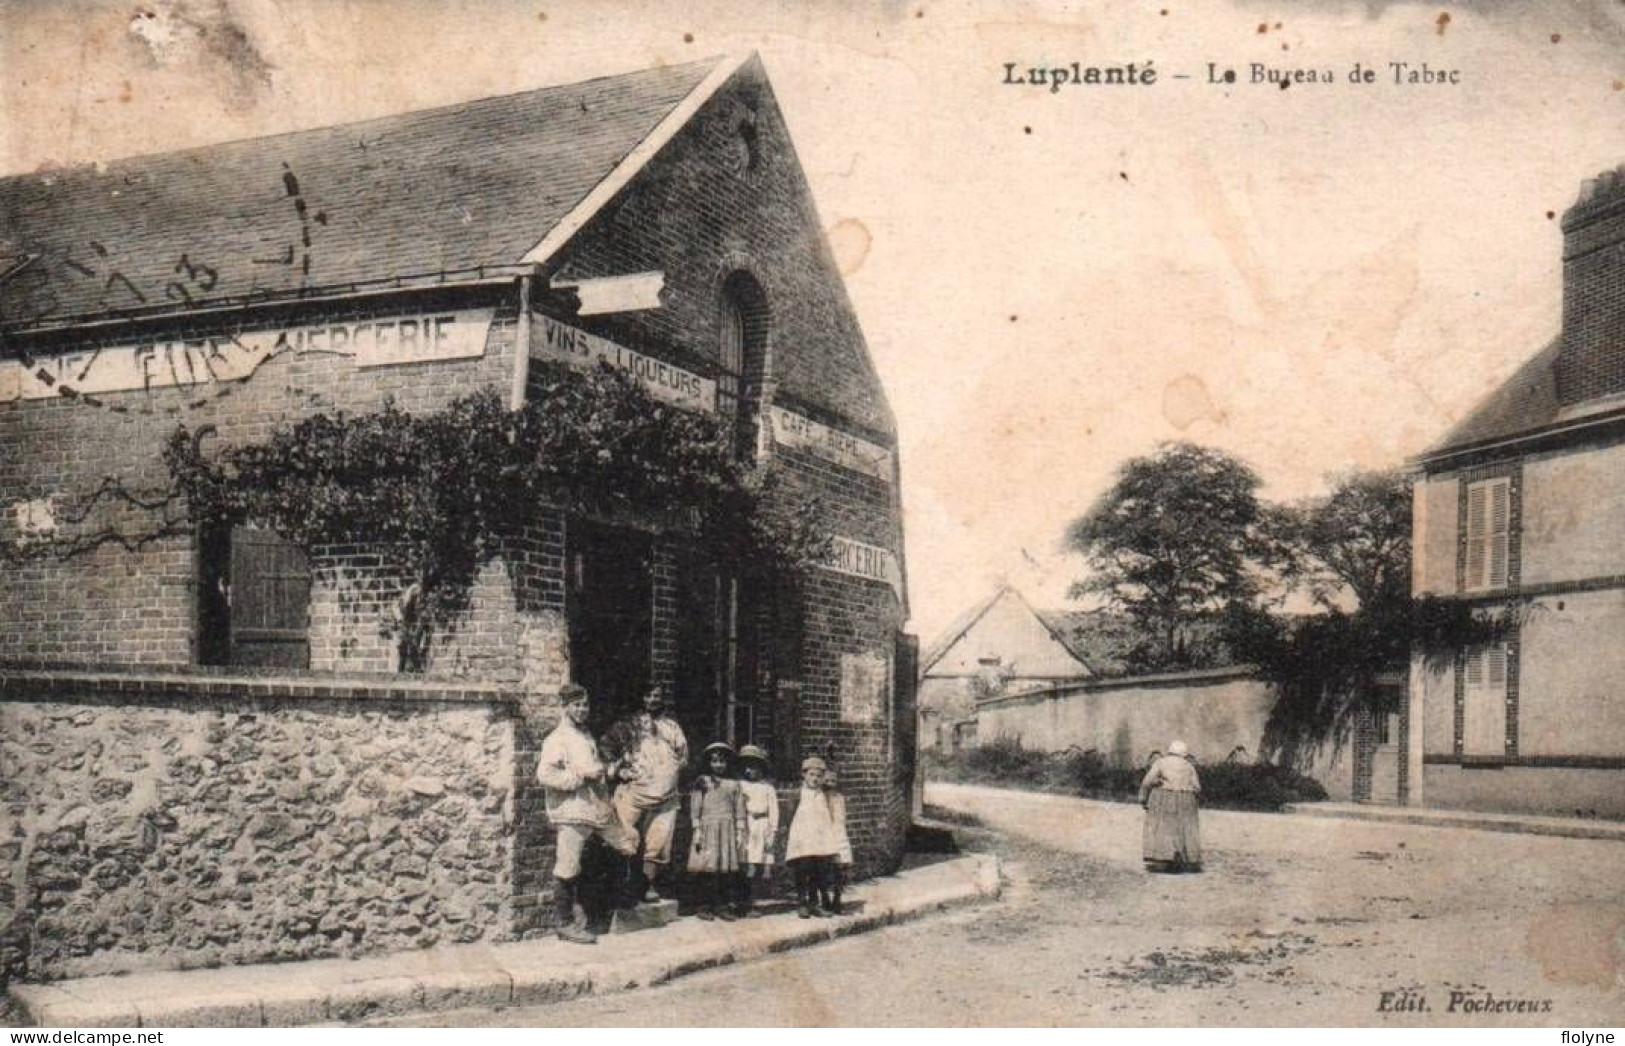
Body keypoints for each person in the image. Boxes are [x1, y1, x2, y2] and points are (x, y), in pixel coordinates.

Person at [534, 683, 640, 945]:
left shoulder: (585, 735)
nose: (582, 710)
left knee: (627, 843)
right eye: (576, 705)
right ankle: (565, 923)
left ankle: (612, 907)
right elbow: (545, 775)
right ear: (565, 707)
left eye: (585, 705)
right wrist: (579, 777)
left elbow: (595, 768)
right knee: (568, 864)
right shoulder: (557, 739)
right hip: (572, 811)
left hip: (596, 809)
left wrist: (615, 772)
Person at [603, 684, 689, 902]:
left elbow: (683, 756)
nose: (652, 700)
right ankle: (623, 888)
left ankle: (649, 886)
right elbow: (604, 751)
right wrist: (618, 771)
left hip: (666, 797)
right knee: (622, 837)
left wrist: (669, 772)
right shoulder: (626, 726)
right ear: (641, 698)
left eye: (656, 696)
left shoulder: (671, 727)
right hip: (633, 793)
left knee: (657, 844)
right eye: (648, 695)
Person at [686, 741, 747, 921]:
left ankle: (722, 906)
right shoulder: (702, 782)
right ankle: (704, 906)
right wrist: (697, 829)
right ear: (708, 762)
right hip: (707, 828)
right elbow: (695, 807)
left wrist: (739, 831)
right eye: (714, 761)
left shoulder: (734, 784)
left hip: (726, 829)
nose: (718, 765)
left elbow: (739, 808)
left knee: (724, 870)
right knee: (707, 867)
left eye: (722, 761)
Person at [785, 755, 848, 918]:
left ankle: (814, 903)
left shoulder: (824, 795)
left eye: (819, 776)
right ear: (804, 775)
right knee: (802, 869)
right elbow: (790, 815)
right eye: (811, 775)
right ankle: (802, 902)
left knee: (818, 871)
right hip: (802, 838)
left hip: (820, 840)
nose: (815, 779)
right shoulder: (798, 793)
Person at [1138, 739, 1203, 873]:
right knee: (1184, 828)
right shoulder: (1189, 766)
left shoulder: (1160, 762)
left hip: (1164, 798)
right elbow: (1197, 787)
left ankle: (1164, 857)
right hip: (1186, 799)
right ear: (1184, 754)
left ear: (1169, 751)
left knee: (1163, 827)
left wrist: (1143, 799)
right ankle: (1185, 857)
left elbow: (1147, 782)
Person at [737, 744, 780, 917]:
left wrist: (773, 832)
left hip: (761, 826)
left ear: (760, 768)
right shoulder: (740, 786)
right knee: (745, 863)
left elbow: (774, 811)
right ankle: (741, 902)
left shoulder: (767, 788)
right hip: (746, 825)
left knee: (756, 864)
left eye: (753, 767)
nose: (749, 771)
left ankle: (752, 902)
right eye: (746, 767)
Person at [817, 766, 854, 916]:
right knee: (822, 868)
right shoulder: (819, 797)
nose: (830, 783)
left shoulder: (839, 798)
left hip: (838, 833)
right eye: (827, 781)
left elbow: (842, 818)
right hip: (824, 834)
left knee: (841, 867)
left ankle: (837, 898)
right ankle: (825, 898)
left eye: (834, 781)